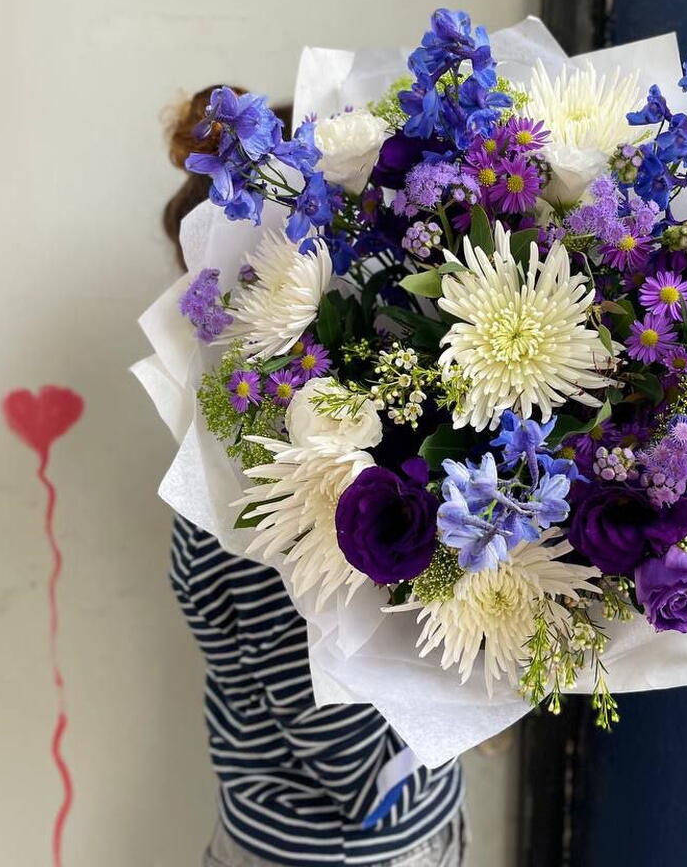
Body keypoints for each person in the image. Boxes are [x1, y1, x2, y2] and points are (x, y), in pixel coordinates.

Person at [163, 89, 465, 867]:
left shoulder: (249, 447)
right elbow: (317, 707)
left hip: (362, 823)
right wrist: (424, 741)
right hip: (338, 842)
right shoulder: (264, 485)